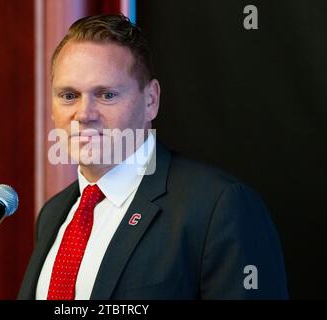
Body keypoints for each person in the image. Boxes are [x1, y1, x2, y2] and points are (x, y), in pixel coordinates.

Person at [18, 14, 288, 300]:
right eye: (69, 95)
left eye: (107, 95)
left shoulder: (219, 207)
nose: (84, 114)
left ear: (151, 101)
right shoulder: (53, 214)